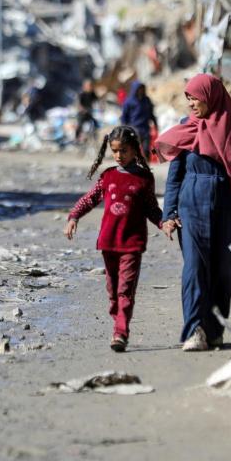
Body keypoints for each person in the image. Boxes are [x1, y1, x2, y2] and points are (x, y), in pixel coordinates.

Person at [155, 73, 231, 352]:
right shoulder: (187, 128)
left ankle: (214, 330)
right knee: (194, 270)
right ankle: (194, 331)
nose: (190, 102)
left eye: (195, 96)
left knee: (225, 272)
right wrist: (168, 214)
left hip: (230, 211)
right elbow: (175, 176)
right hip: (192, 207)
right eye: (187, 97)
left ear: (211, 96)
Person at [65, 126, 163, 352]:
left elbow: (151, 208)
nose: (119, 156)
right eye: (115, 151)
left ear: (135, 150)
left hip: (132, 243)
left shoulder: (144, 178)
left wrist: (164, 222)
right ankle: (117, 317)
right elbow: (90, 199)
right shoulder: (107, 176)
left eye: (124, 151)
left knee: (125, 290)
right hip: (108, 242)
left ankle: (120, 332)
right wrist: (74, 216)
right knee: (112, 292)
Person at [120, 79, 158, 156]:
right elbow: (124, 116)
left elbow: (151, 113)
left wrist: (155, 124)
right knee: (134, 149)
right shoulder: (129, 101)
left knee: (146, 149)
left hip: (145, 128)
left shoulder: (146, 100)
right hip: (134, 127)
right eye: (139, 89)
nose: (140, 90)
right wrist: (124, 128)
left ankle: (146, 166)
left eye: (142, 88)